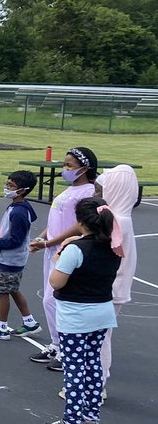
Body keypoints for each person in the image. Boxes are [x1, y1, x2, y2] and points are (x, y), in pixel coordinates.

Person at [40, 197, 121, 424]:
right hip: (102, 311)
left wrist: (57, 259)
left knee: (74, 367)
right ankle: (90, 417)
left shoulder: (75, 249)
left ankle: (71, 423)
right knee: (93, 363)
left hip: (76, 315)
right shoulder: (114, 247)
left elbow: (56, 281)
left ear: (80, 221)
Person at [28, 147, 98, 369]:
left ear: (84, 169)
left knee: (55, 299)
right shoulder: (68, 191)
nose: (64, 169)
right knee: (49, 299)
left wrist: (51, 242)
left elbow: (80, 225)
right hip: (53, 249)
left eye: (69, 166)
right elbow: (56, 219)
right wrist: (42, 238)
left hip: (69, 250)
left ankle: (67, 350)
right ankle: (57, 344)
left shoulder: (87, 193)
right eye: (64, 165)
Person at [92, 164, 139, 395]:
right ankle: (97, 383)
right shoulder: (122, 218)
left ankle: (97, 386)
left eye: (100, 192)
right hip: (113, 287)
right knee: (100, 336)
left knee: (99, 338)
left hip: (106, 289)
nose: (96, 196)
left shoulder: (113, 221)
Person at [0, 170, 40, 340]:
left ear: (22, 190)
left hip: (10, 260)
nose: (7, 187)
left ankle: (2, 328)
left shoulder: (18, 212)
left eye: (11, 185)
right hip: (15, 259)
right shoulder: (21, 207)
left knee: (3, 292)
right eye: (7, 183)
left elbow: (15, 241)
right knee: (13, 289)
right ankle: (29, 322)